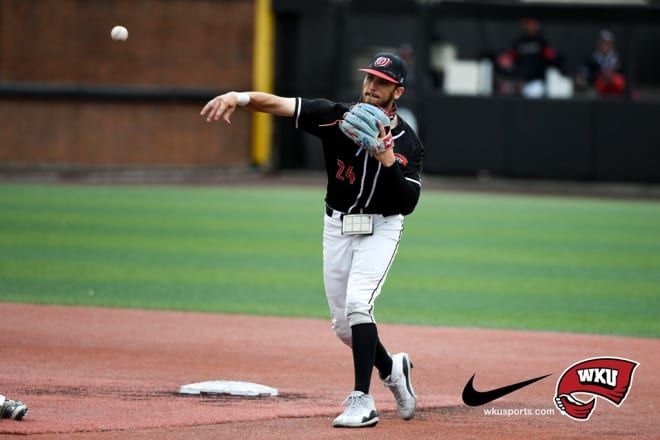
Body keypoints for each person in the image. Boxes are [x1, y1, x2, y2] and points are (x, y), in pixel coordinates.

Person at [201, 52, 424, 428]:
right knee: (343, 327)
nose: (371, 86)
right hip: (337, 225)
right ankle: (392, 369)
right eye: (369, 79)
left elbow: (408, 203)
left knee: (358, 304)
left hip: (382, 227)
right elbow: (278, 104)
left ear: (397, 91)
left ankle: (361, 400)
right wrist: (236, 97)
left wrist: (387, 159)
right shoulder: (335, 116)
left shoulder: (407, 142)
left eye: (382, 82)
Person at [497, 18, 560, 98]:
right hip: (521, 81)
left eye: (533, 25)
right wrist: (505, 60)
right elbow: (511, 57)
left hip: (537, 81)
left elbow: (551, 56)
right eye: (529, 25)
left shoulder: (541, 41)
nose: (531, 27)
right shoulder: (520, 42)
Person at [575, 29, 626, 97]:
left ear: (611, 45)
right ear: (598, 44)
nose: (604, 45)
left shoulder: (618, 60)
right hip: (597, 92)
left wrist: (612, 78)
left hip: (616, 92)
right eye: (602, 42)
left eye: (607, 43)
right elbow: (584, 74)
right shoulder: (591, 61)